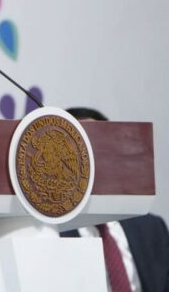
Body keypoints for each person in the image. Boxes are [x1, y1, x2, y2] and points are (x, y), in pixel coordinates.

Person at [62, 107, 169, 292]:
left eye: (99, 147)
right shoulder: (48, 234)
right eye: (79, 149)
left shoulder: (151, 228)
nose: (90, 160)